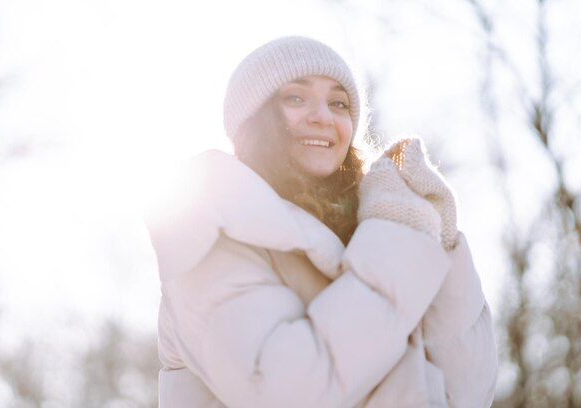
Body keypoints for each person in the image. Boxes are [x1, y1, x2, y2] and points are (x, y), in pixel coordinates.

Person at [145, 36, 498, 407]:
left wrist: (437, 240)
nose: (323, 117)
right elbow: (287, 391)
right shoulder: (208, 224)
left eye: (338, 103)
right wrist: (399, 239)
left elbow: (467, 394)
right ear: (254, 117)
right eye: (296, 98)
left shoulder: (373, 227)